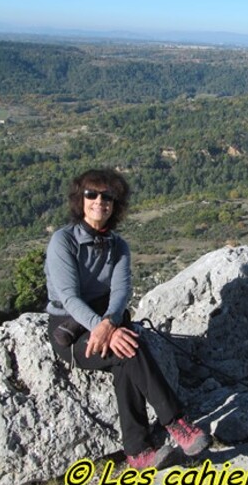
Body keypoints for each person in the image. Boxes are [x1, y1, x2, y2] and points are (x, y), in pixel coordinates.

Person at [45, 168, 209, 469]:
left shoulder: (118, 246)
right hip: (69, 329)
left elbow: (121, 291)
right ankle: (176, 422)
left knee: (125, 351)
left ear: (115, 205)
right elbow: (69, 297)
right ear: (79, 199)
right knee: (128, 347)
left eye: (107, 197)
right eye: (91, 194)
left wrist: (109, 324)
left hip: (105, 318)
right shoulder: (63, 241)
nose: (99, 201)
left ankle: (139, 453)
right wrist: (102, 327)